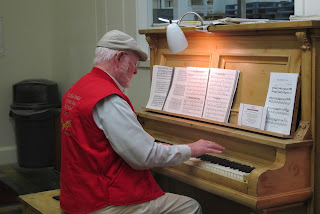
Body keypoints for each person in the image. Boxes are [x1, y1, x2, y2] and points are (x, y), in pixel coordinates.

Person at [60, 30, 225, 214]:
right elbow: (144, 156)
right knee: (190, 207)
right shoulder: (110, 100)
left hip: (76, 195)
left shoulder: (79, 88)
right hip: (101, 202)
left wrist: (160, 147)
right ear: (120, 57)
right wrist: (191, 149)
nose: (137, 70)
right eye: (135, 63)